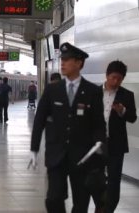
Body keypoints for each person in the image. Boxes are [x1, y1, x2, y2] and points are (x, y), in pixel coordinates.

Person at [29, 42, 106, 213]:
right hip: (56, 156)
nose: (62, 63)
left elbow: (98, 123)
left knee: (81, 203)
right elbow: (39, 120)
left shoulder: (92, 91)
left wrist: (100, 141)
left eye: (67, 59)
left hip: (83, 158)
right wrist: (34, 149)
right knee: (53, 199)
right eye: (62, 59)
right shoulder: (52, 90)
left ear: (79, 63)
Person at [92, 60, 137, 213]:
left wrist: (122, 111)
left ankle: (107, 210)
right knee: (94, 179)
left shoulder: (127, 95)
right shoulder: (94, 93)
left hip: (116, 144)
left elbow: (133, 117)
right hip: (97, 144)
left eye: (119, 78)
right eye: (113, 77)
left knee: (113, 181)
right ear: (107, 75)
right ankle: (100, 205)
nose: (116, 81)